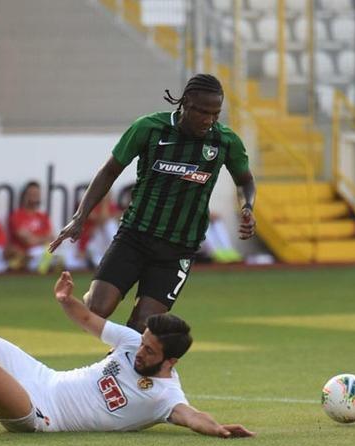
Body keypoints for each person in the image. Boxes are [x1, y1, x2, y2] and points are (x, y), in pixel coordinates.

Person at [0, 271, 255, 438]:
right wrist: (65, 301)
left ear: (171, 362)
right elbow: (90, 322)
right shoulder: (130, 341)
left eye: (149, 350)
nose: (138, 350)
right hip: (43, 377)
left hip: (41, 415)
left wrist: (218, 428)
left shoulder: (166, 398)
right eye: (142, 342)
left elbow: (192, 416)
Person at [49, 74, 256, 332]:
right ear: (185, 103)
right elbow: (110, 171)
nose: (209, 120)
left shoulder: (225, 141)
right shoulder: (149, 128)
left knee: (141, 327)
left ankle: (117, 367)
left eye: (215, 113)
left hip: (179, 248)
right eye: (202, 111)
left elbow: (245, 180)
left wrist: (247, 206)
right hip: (135, 236)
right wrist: (80, 217)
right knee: (96, 310)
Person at [9, 182, 86, 273]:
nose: (34, 196)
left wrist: (37, 239)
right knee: (47, 255)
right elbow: (28, 241)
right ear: (25, 196)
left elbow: (52, 238)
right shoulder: (17, 216)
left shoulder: (42, 216)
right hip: (28, 253)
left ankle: (48, 264)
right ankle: (46, 265)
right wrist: (43, 238)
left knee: (67, 254)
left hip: (44, 250)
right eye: (31, 194)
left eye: (36, 194)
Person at [77, 195, 121, 268]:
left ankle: (117, 252)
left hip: (105, 244)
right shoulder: (87, 204)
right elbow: (102, 219)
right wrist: (104, 203)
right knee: (108, 224)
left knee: (110, 224)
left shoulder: (111, 205)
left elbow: (118, 216)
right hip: (90, 243)